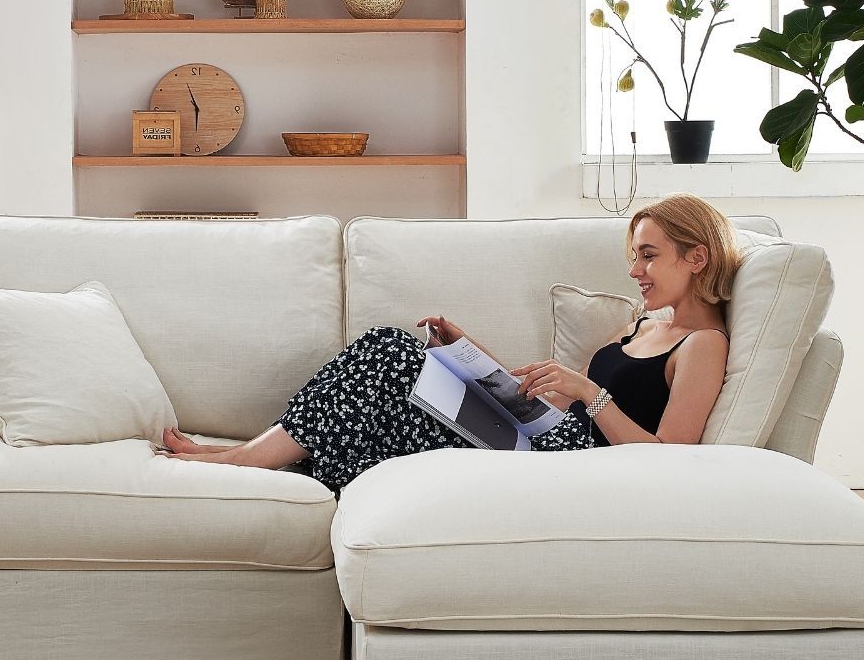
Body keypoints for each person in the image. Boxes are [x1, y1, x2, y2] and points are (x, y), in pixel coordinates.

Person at [161, 194, 739, 491]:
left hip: (561, 465)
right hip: (533, 437)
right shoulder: (640, 325)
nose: (635, 270)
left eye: (648, 255)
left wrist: (592, 393)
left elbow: (674, 459)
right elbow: (532, 401)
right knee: (391, 354)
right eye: (633, 255)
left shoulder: (702, 345)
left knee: (386, 356)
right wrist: (469, 352)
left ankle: (239, 460)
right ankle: (240, 458)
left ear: (697, 257)